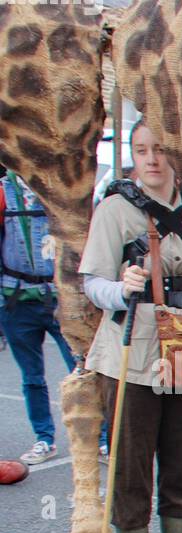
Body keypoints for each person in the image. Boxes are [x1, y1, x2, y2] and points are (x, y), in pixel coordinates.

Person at [79, 121, 182, 533]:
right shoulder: (115, 210)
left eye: (160, 149)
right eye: (141, 151)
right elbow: (92, 282)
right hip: (132, 353)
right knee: (131, 465)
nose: (152, 159)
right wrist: (122, 287)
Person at [1, 166, 77, 466]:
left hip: (60, 298)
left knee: (80, 371)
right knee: (32, 378)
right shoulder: (4, 191)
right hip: (16, 301)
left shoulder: (57, 185)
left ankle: (98, 438)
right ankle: (44, 439)